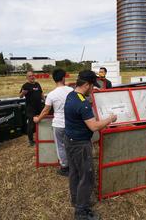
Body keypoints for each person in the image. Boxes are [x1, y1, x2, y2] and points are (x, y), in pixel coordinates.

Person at [64, 70, 117, 220]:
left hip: (70, 141)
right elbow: (94, 126)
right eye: (93, 86)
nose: (93, 89)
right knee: (87, 176)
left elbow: (80, 107)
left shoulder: (72, 95)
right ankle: (81, 211)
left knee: (74, 173)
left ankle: (76, 199)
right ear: (87, 84)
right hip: (80, 145)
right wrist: (110, 119)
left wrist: (88, 103)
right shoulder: (82, 104)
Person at [33, 69, 73, 176]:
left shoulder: (51, 94)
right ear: (63, 78)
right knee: (73, 145)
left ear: (54, 80)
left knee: (61, 146)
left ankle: (65, 167)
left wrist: (38, 119)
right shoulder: (71, 91)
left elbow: (46, 110)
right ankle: (74, 165)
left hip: (59, 125)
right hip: (72, 124)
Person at [20, 70, 45, 146]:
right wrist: (23, 93)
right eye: (30, 76)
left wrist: (45, 100)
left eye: (32, 75)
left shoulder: (37, 84)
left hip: (39, 107)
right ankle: (31, 141)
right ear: (27, 77)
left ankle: (42, 138)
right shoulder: (25, 85)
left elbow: (41, 93)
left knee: (41, 122)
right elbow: (20, 96)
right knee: (31, 125)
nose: (32, 77)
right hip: (30, 108)